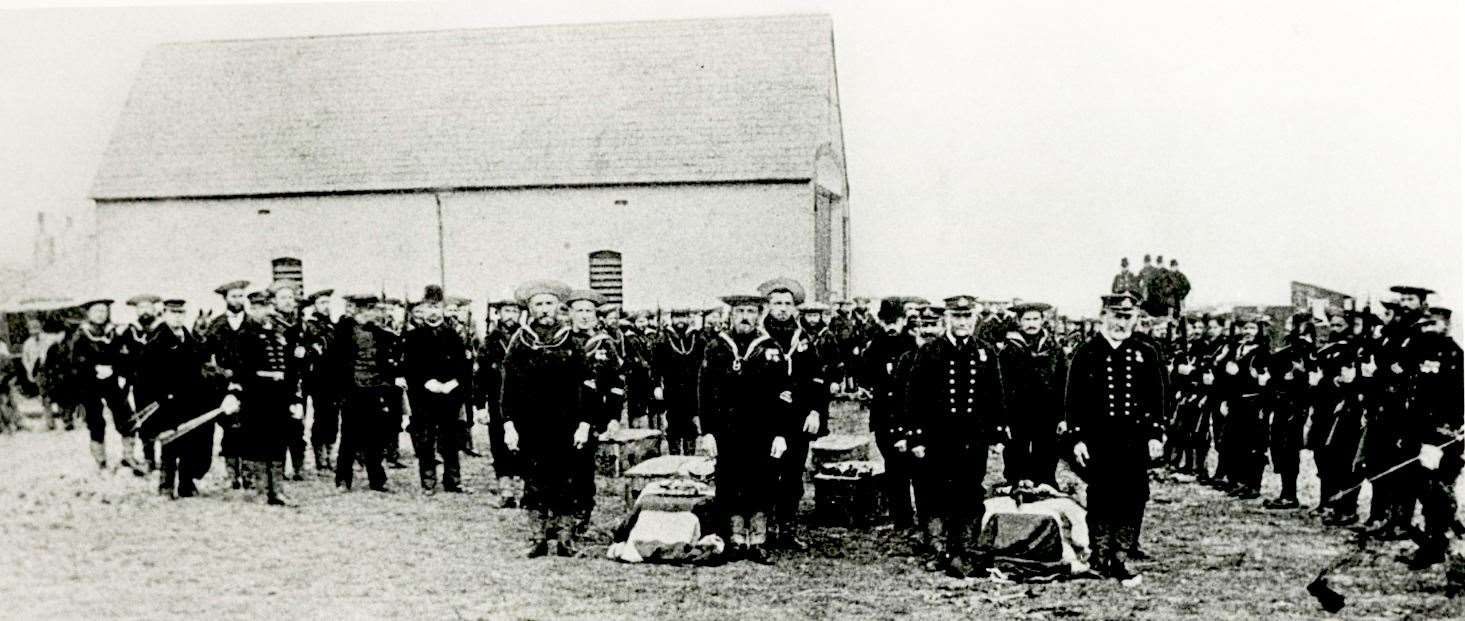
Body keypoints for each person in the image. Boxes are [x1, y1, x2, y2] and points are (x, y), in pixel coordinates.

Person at [1065, 292, 1167, 582]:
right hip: (1099, 440)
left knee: (1132, 496)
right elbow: (1073, 401)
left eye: (1127, 316)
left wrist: (1155, 434)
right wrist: (1077, 439)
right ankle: (1100, 556)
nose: (1122, 322)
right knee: (1100, 496)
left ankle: (1120, 557)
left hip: (1133, 440)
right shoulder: (1087, 353)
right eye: (1116, 315)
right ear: (1104, 316)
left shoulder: (1145, 353)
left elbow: (1156, 398)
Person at [904, 294, 1007, 578]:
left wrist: (997, 432)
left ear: (975, 318)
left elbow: (995, 396)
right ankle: (938, 550)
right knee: (936, 491)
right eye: (957, 317)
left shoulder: (984, 352)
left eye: (967, 317)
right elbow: (914, 397)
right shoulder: (930, 351)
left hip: (972, 439)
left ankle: (964, 549)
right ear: (947, 318)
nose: (962, 322)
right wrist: (916, 438)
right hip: (939, 437)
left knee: (970, 491)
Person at [501, 280, 595, 557]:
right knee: (534, 481)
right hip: (530, 425)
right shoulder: (519, 341)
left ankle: (565, 539)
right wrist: (509, 425)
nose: (544, 309)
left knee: (567, 481)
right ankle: (537, 538)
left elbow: (586, 386)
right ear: (530, 309)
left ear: (559, 307)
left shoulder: (573, 342)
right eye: (538, 304)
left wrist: (584, 424)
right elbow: (508, 389)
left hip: (566, 425)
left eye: (549, 303)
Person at [699, 292, 795, 564]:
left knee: (762, 483)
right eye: (740, 311)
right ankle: (736, 539)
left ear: (759, 315)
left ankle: (758, 541)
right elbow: (706, 392)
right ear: (730, 314)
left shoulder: (771, 348)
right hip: (727, 430)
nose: (745, 317)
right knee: (730, 482)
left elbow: (784, 393)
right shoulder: (716, 347)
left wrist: (781, 433)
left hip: (762, 430)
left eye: (751, 311)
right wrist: (708, 432)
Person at [757, 277, 830, 552]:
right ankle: (764, 529)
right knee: (765, 473)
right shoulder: (759, 339)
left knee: (793, 474)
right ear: (767, 307)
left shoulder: (803, 341)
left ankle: (788, 529)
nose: (783, 309)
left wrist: (815, 411)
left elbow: (817, 379)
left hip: (797, 420)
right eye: (777, 303)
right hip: (765, 421)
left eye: (788, 304)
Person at [1406, 305, 1462, 569]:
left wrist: (1456, 427)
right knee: (1425, 487)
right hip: (1423, 432)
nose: (1427, 329)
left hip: (1445, 434)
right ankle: (1433, 541)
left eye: (1433, 324)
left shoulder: (1454, 356)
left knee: (1438, 489)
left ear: (1446, 325)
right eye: (1424, 324)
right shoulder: (1420, 352)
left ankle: (1437, 545)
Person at [401, 285, 471, 495]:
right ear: (422, 308)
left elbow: (464, 367)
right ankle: (428, 481)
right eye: (428, 306)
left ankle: (453, 480)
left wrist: (454, 383)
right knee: (425, 440)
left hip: (450, 395)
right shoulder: (414, 338)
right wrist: (425, 382)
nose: (433, 311)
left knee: (450, 438)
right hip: (424, 396)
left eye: (437, 306)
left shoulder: (454, 335)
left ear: (442, 308)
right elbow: (409, 368)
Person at [140, 299, 214, 499]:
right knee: (170, 444)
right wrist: (157, 404)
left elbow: (202, 366)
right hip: (167, 403)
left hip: (191, 402)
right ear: (164, 314)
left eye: (181, 313)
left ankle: (186, 484)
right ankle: (165, 486)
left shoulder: (191, 341)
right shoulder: (155, 344)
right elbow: (146, 379)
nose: (177, 317)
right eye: (173, 313)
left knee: (191, 443)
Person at [564, 289, 624, 534]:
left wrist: (613, 417)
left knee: (583, 468)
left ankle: (581, 515)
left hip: (591, 415)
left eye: (589, 311)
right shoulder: (561, 339)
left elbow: (616, 384)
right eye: (579, 311)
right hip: (562, 414)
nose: (585, 316)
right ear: (570, 314)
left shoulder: (605, 343)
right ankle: (561, 516)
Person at [330, 294, 398, 493]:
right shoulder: (343, 332)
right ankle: (343, 479)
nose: (376, 314)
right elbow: (335, 365)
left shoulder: (379, 333)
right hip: (352, 391)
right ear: (362, 311)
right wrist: (340, 393)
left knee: (376, 437)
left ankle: (377, 480)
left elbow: (388, 357)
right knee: (349, 437)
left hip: (375, 390)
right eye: (372, 310)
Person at [69, 298, 143, 474]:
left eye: (103, 311)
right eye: (96, 311)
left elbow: (121, 356)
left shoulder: (114, 334)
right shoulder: (81, 335)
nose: (100, 315)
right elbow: (74, 362)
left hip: (112, 382)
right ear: (89, 314)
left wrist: (116, 370)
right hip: (90, 384)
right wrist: (93, 369)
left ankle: (129, 455)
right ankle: (100, 461)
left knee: (125, 416)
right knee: (95, 421)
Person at [240, 289, 300, 506]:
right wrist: (267, 375)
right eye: (259, 308)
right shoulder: (246, 335)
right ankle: (262, 491)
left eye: (267, 307)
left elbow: (291, 367)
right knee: (258, 442)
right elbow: (243, 370)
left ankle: (278, 491)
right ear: (252, 309)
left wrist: (294, 397)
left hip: (279, 397)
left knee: (278, 441)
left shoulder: (280, 333)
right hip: (256, 398)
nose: (265, 312)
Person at [998, 301, 1066, 488]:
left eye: (1036, 318)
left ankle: (1045, 485)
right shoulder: (1008, 350)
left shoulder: (1054, 349)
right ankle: (1016, 487)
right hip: (1017, 412)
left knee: (1047, 452)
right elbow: (1001, 385)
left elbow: (1063, 383)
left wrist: (1062, 416)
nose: (1032, 323)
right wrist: (1003, 418)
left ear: (1043, 320)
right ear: (1019, 322)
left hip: (1047, 412)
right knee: (1015, 451)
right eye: (1027, 319)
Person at [203, 280, 256, 489]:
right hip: (223, 387)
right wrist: (222, 375)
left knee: (250, 427)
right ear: (225, 299)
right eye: (233, 296)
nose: (238, 300)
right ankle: (233, 473)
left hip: (249, 385)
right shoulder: (216, 325)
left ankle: (249, 473)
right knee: (230, 428)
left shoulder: (253, 324)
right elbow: (205, 360)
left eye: (241, 296)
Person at [1263, 313, 1317, 509]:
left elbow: (1308, 375)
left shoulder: (1305, 349)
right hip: (1282, 403)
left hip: (1295, 405)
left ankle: (1289, 494)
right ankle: (1286, 492)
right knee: (1279, 447)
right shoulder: (1290, 347)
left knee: (1288, 449)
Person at [477, 299, 525, 508]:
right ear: (499, 313)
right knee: (499, 445)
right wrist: (480, 406)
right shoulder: (490, 341)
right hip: (497, 402)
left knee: (525, 446)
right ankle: (505, 491)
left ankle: (524, 490)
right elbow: (479, 378)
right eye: (507, 311)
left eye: (515, 311)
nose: (511, 315)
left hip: (524, 402)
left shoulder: (526, 338)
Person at [118, 294, 162, 471]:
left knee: (165, 419)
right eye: (141, 308)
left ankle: (167, 458)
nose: (145, 312)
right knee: (145, 422)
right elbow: (121, 357)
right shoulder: (129, 332)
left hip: (161, 382)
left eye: (148, 308)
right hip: (139, 384)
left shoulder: (163, 329)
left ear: (154, 310)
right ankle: (149, 458)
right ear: (136, 311)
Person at [652, 308, 704, 456]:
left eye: (684, 317)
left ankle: (689, 457)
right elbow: (655, 365)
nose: (680, 321)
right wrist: (656, 385)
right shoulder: (663, 339)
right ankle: (674, 457)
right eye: (677, 317)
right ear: (672, 318)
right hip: (672, 388)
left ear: (689, 318)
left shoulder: (698, 338)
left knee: (691, 425)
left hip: (692, 388)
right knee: (673, 424)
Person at [302, 289, 339, 475]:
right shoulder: (310, 326)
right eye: (322, 303)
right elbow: (310, 351)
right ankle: (320, 458)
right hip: (317, 379)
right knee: (320, 417)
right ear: (315, 305)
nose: (326, 306)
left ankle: (331, 455)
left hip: (334, 379)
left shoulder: (333, 326)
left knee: (333, 418)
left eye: (328, 302)